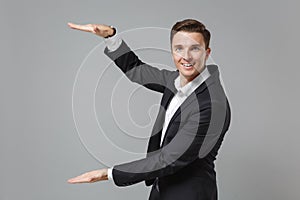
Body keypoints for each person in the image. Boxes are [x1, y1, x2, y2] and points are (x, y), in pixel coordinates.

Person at [67, 19, 231, 200]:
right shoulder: (176, 80)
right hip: (163, 188)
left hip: (189, 193)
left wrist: (108, 174)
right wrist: (111, 37)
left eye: (195, 48)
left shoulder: (212, 104)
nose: (186, 56)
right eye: (179, 49)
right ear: (172, 51)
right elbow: (136, 70)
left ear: (207, 53)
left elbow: (169, 159)